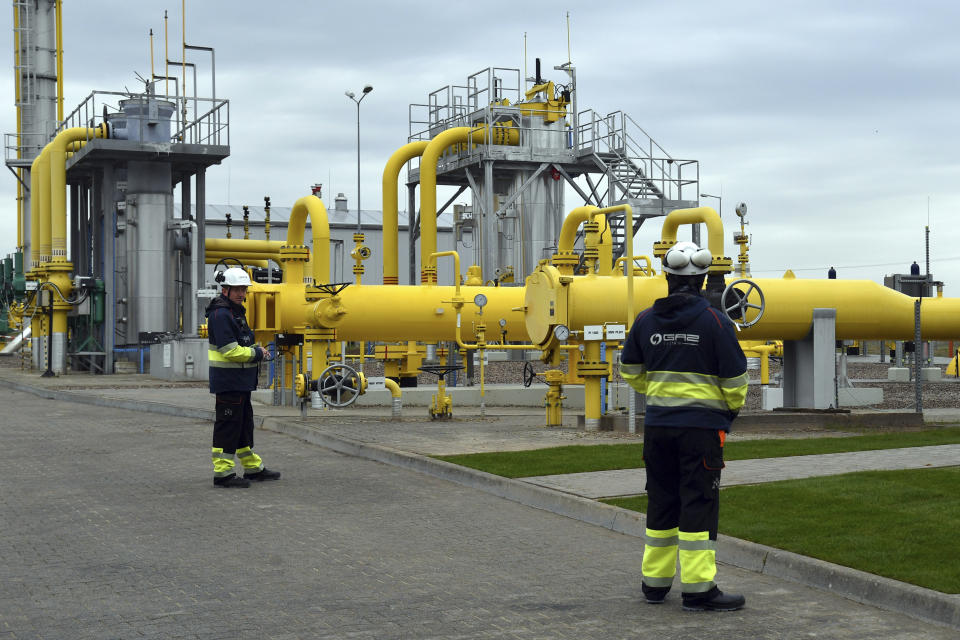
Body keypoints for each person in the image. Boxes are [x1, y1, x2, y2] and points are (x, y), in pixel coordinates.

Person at [620, 241, 748, 612]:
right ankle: (698, 589)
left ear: (667, 277)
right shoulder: (715, 321)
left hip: (658, 427)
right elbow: (737, 380)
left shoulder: (645, 320)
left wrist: (658, 393)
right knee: (698, 503)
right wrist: (728, 411)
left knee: (661, 502)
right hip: (701, 431)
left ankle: (655, 584)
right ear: (703, 280)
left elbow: (629, 370)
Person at [205, 266, 280, 488]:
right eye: (236, 289)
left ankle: (252, 468)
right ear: (225, 290)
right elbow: (230, 350)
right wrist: (257, 353)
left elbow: (241, 344)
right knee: (228, 427)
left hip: (240, 382)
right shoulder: (221, 314)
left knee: (243, 426)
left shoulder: (235, 312)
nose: (241, 293)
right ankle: (223, 474)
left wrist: (257, 349)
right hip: (229, 383)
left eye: (243, 289)